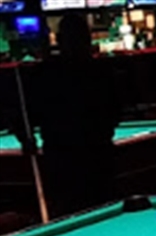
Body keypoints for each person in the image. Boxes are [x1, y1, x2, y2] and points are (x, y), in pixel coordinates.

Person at [9, 14, 120, 219]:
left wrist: (25, 138)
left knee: (78, 210)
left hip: (76, 157)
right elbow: (115, 113)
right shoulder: (99, 71)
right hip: (82, 157)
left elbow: (22, 114)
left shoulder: (47, 73)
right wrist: (25, 137)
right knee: (95, 209)